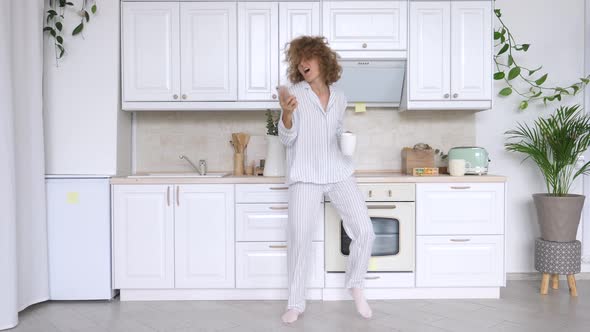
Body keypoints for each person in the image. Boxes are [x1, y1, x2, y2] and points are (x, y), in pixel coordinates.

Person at [277, 35, 376, 324]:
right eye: (299, 59)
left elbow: (335, 131)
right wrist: (286, 114)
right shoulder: (293, 94)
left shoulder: (340, 96)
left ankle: (356, 284)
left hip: (339, 170)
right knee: (300, 240)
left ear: (323, 59)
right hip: (305, 175)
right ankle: (295, 303)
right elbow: (287, 138)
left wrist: (345, 141)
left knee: (365, 230)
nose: (303, 63)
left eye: (308, 57)